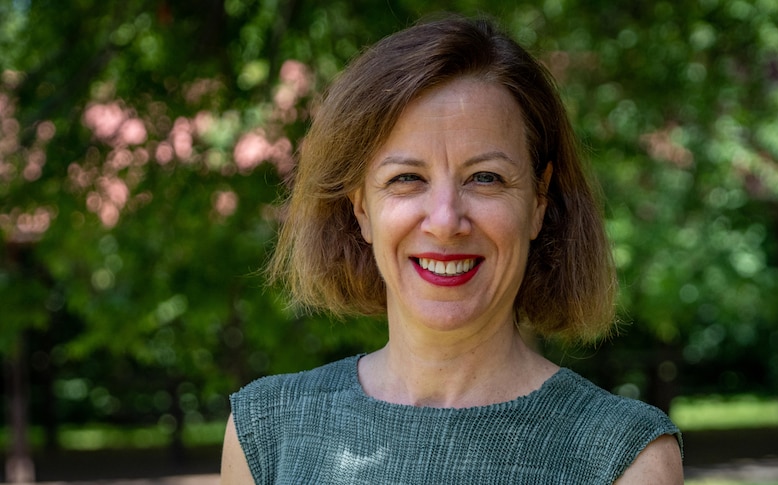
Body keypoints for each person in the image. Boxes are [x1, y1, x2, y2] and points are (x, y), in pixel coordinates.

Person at [221, 14, 683, 484]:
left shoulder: (625, 457)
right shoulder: (266, 431)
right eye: (407, 178)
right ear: (360, 208)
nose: (445, 221)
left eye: (485, 178)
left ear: (539, 201)